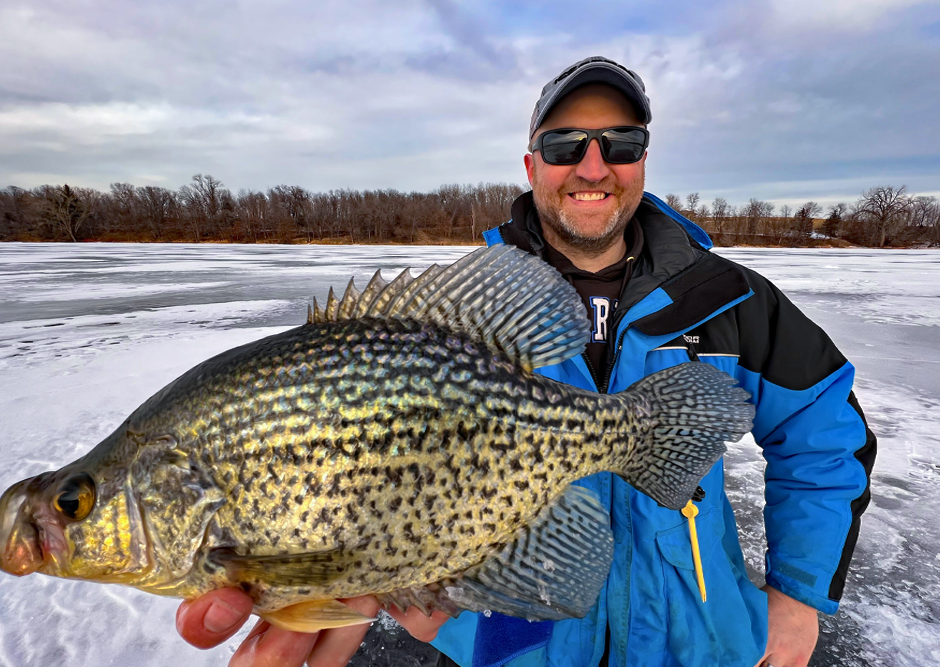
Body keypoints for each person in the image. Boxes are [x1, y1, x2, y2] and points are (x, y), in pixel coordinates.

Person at [175, 57, 876, 667]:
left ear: (642, 159)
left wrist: (798, 593)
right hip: (510, 641)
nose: (593, 165)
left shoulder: (727, 297)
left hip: (696, 644)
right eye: (566, 143)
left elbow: (826, 431)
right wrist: (378, 550)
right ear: (531, 162)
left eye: (620, 142)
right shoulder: (466, 311)